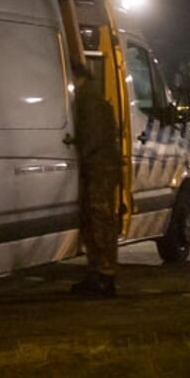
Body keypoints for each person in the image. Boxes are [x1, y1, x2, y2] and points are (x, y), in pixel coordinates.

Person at [70, 66, 123, 298]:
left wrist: (78, 156)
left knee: (100, 222)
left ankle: (105, 276)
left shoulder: (90, 102)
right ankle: (97, 273)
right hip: (100, 167)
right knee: (94, 223)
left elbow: (91, 138)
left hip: (99, 169)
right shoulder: (91, 98)